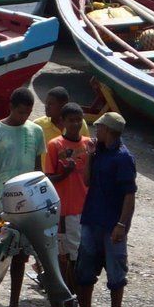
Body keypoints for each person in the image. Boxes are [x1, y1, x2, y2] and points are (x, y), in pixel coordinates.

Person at [0, 87, 52, 307]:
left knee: (21, 256)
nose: (24, 117)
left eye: (28, 113)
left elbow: (38, 169)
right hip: (3, 201)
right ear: (11, 107)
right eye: (21, 112)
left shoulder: (35, 131)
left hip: (29, 204)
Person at [75, 112, 137, 307]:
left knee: (116, 277)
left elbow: (129, 196)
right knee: (85, 272)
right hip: (91, 220)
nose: (95, 131)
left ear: (109, 130)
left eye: (98, 127)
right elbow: (87, 181)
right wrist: (89, 157)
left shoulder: (123, 158)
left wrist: (121, 225)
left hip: (112, 225)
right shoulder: (98, 151)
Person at [45, 103, 95, 297]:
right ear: (63, 122)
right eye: (71, 120)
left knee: (82, 253)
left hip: (86, 209)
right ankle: (70, 295)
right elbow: (48, 178)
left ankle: (76, 294)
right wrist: (64, 173)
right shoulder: (55, 145)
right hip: (66, 209)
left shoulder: (89, 144)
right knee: (68, 256)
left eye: (78, 119)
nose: (75, 124)